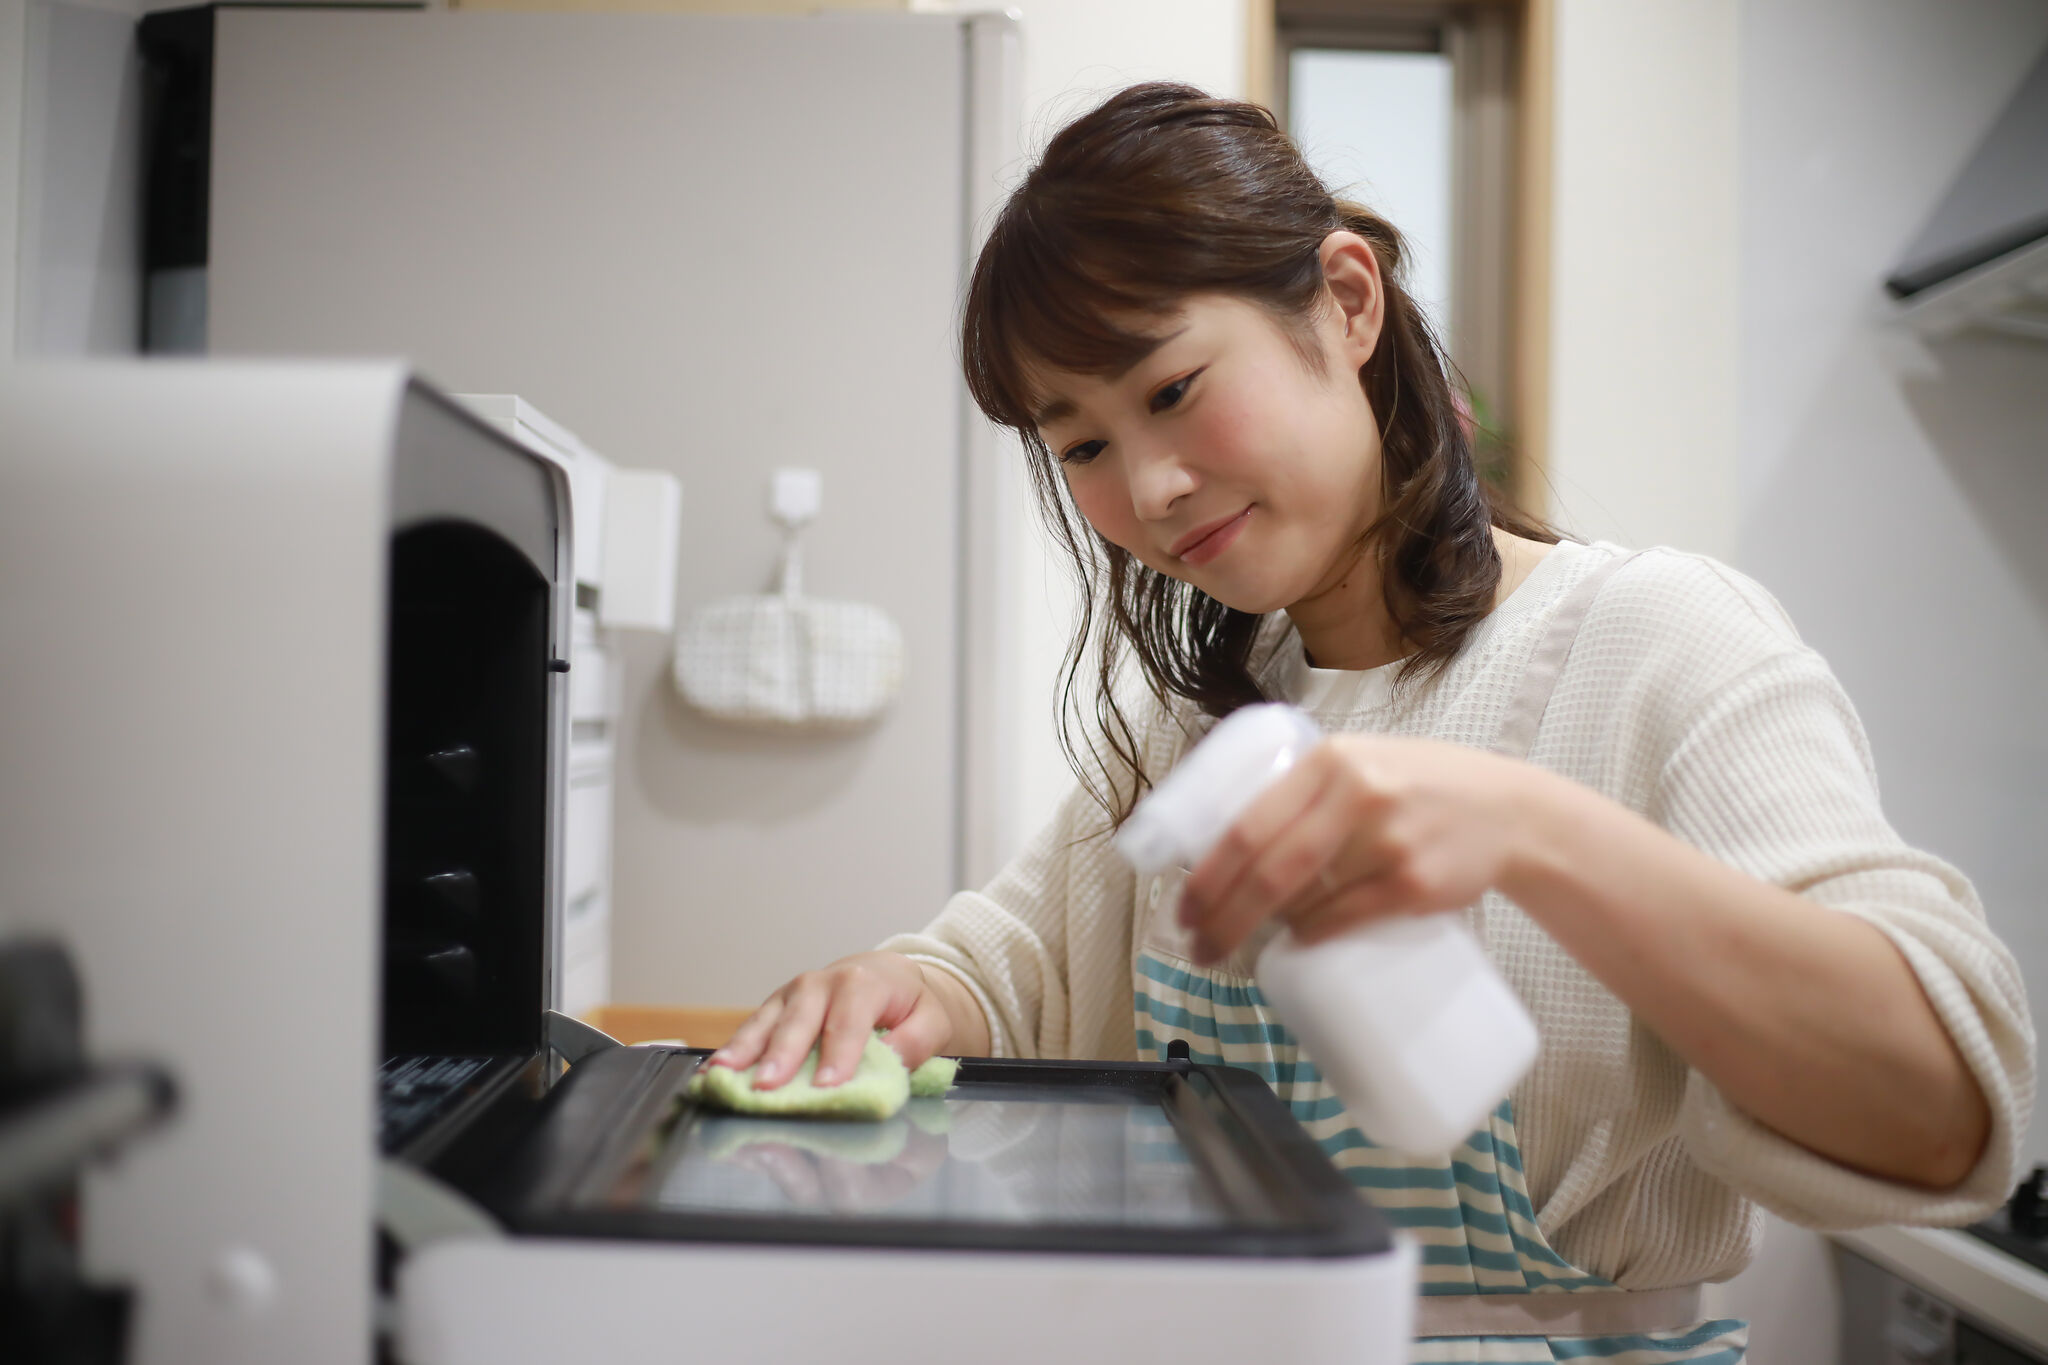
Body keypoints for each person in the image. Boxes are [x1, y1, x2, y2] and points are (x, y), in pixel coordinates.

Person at [707, 83, 2034, 1361]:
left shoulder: (1658, 642)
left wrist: (1532, 832)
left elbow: (1950, 1112)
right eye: (1083, 446)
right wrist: (903, 994)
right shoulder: (1202, 725)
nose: (1153, 486)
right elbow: (1017, 961)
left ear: (1346, 304)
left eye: (1169, 390)